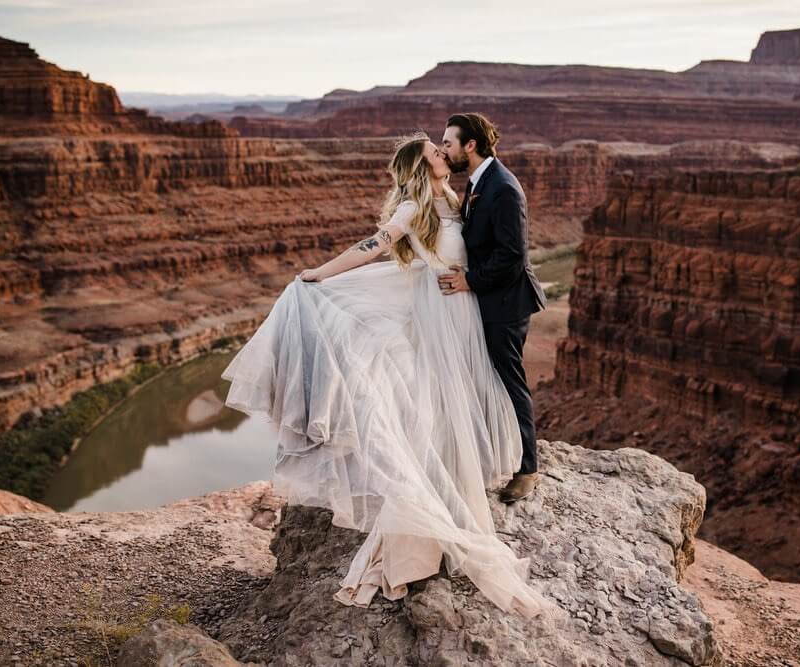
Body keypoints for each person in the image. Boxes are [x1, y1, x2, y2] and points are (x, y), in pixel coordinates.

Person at [220, 132, 556, 619]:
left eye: (445, 147)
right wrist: (323, 271)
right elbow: (374, 245)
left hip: (460, 312)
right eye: (434, 152)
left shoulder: (451, 196)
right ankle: (423, 529)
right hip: (441, 314)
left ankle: (456, 485)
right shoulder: (413, 204)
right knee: (438, 405)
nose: (443, 154)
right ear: (421, 169)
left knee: (454, 403)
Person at [439, 112, 547, 503]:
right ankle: (497, 455)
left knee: (508, 381)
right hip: (490, 300)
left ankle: (528, 469)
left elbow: (512, 256)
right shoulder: (479, 182)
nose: (444, 149)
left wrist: (469, 280)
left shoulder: (503, 188)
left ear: (470, 145)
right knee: (488, 380)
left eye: (449, 142)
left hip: (506, 303)